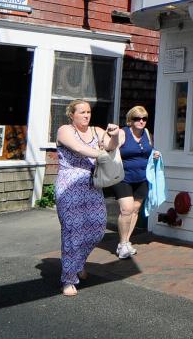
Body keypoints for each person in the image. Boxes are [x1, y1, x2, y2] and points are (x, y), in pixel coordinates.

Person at [55, 100, 119, 296]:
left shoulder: (96, 130)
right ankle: (68, 279)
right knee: (73, 231)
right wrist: (102, 155)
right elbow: (79, 149)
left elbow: (110, 145)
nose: (86, 115)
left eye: (88, 112)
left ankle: (78, 262)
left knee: (98, 227)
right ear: (71, 114)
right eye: (82, 112)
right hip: (70, 185)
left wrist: (114, 136)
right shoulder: (65, 130)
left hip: (92, 184)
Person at [109, 106, 160, 259]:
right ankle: (123, 243)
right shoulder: (123, 133)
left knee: (135, 210)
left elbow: (148, 150)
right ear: (130, 120)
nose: (141, 121)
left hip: (142, 178)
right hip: (123, 177)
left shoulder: (146, 133)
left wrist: (155, 153)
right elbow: (110, 149)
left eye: (144, 118)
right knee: (126, 209)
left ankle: (125, 242)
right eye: (137, 118)